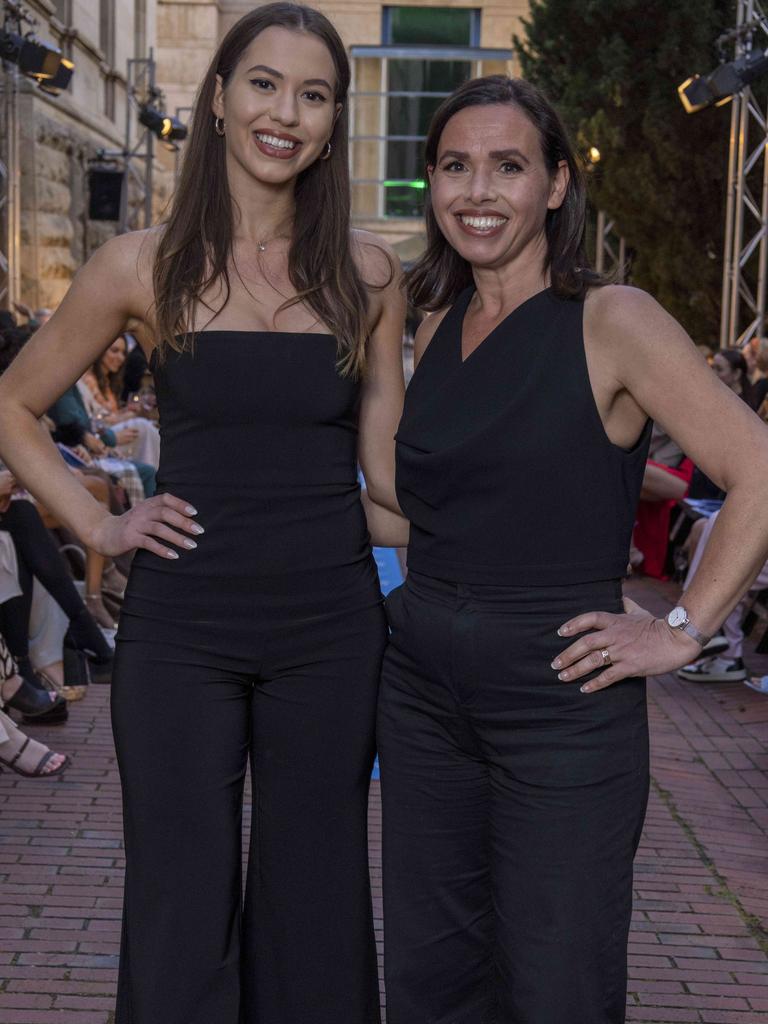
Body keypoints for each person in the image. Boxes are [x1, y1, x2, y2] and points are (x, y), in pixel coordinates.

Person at [0, 4, 404, 1023]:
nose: (287, 112)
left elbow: (390, 482)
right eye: (263, 83)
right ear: (219, 100)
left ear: (333, 123)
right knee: (179, 905)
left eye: (314, 94)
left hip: (332, 627)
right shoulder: (140, 265)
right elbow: (10, 402)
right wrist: (95, 528)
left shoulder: (367, 275)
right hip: (182, 630)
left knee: (315, 900)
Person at [371, 75, 768, 1024]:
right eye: (456, 166)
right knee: (430, 977)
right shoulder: (433, 322)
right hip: (421, 692)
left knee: (558, 979)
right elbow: (411, 513)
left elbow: (758, 468)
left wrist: (679, 627)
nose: (479, 191)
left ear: (555, 185)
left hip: (562, 700)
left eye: (508, 166)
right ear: (429, 183)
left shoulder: (610, 319)